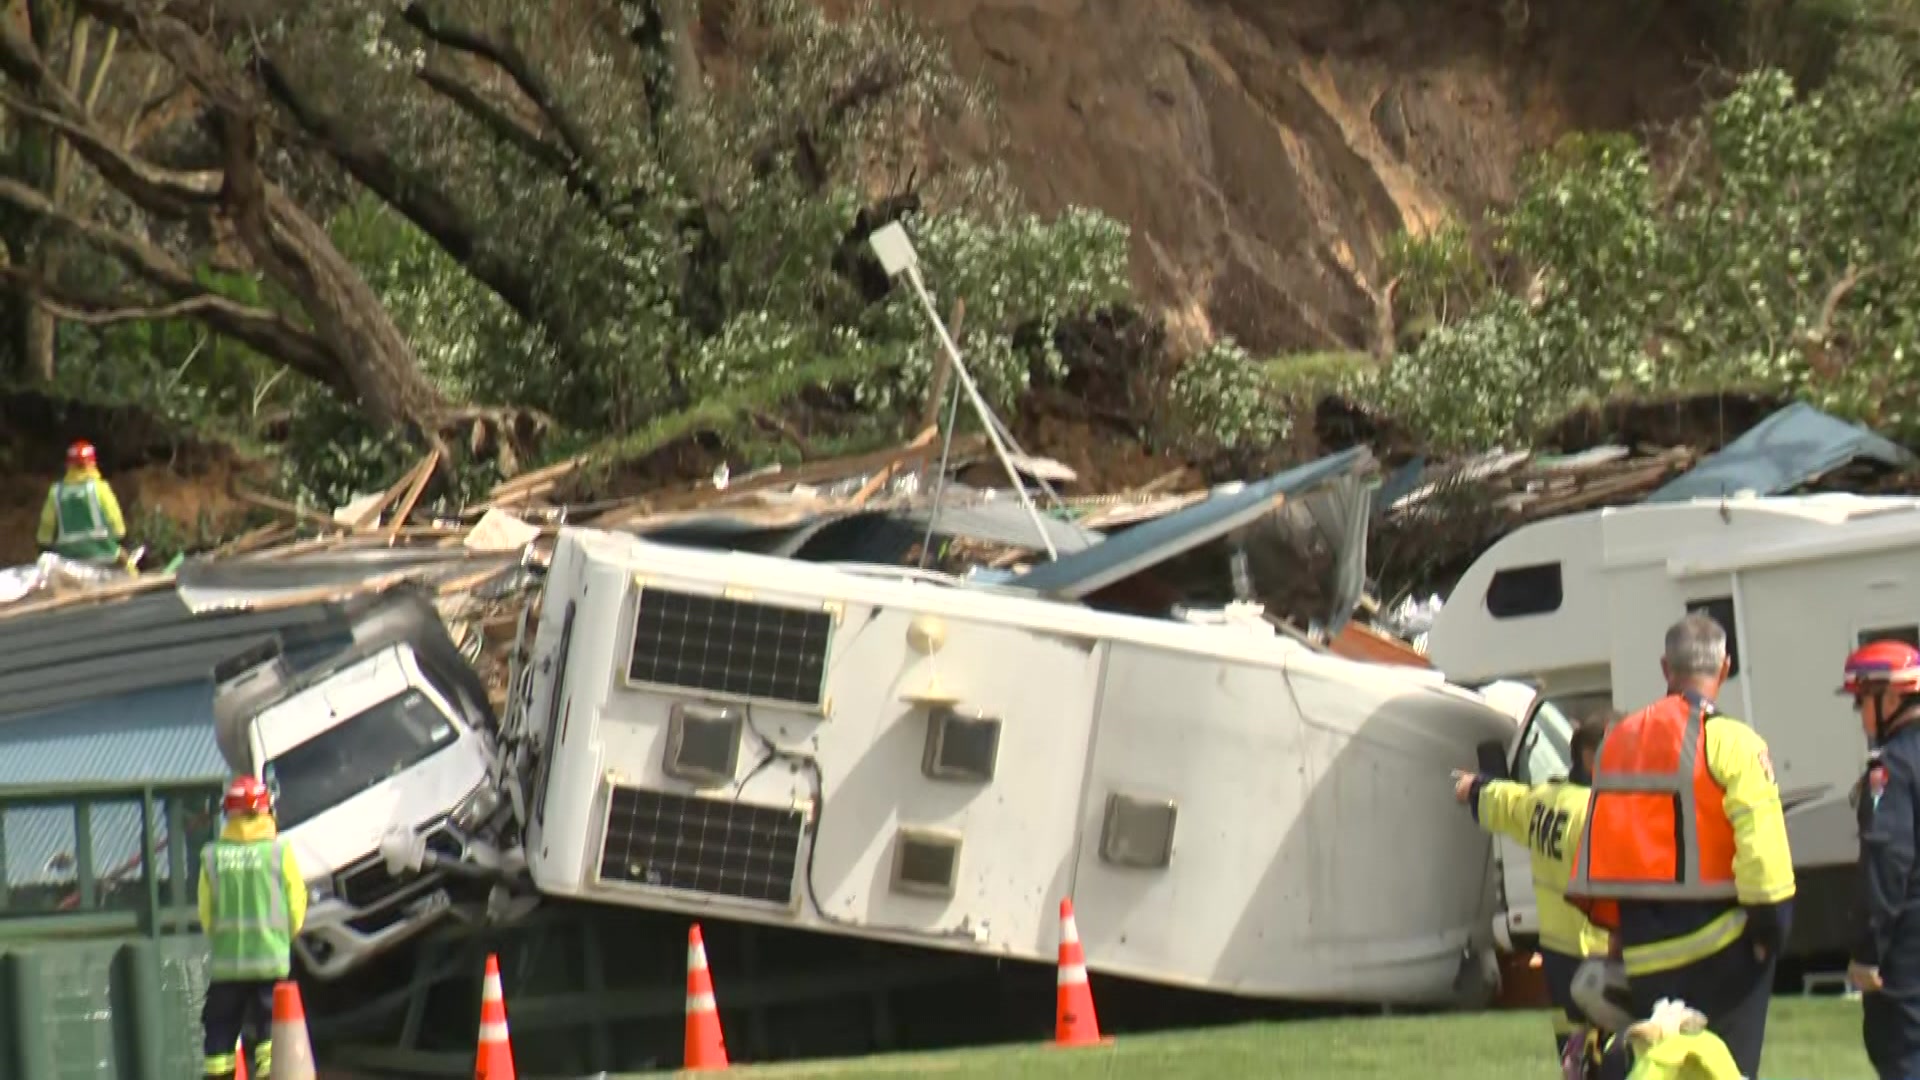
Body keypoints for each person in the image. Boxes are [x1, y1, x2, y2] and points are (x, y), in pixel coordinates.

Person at [1565, 612, 1797, 1079]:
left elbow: (1608, 848)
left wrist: (1618, 941)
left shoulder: (1618, 741)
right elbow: (1762, 856)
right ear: (1725, 667)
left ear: (1665, 667)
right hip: (1725, 952)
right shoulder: (1734, 742)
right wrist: (1770, 934)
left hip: (1647, 955)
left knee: (1661, 1070)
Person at [1453, 709, 1617, 1072]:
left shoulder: (1545, 800)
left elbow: (1505, 800)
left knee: (1573, 1056)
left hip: (1558, 957)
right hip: (1601, 953)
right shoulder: (1600, 814)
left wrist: (1475, 786)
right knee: (1613, 1058)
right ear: (1592, 759)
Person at [1841, 639, 1920, 1080]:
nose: (1861, 717)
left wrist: (1868, 953)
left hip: (1908, 956)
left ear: (1890, 697)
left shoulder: (1891, 769)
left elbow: (1887, 864)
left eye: (1861, 703)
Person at [199, 774, 306, 1080]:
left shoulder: (212, 856)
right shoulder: (279, 852)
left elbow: (207, 913)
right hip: (270, 960)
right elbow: (295, 901)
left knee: (219, 1030)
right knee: (270, 1031)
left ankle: (219, 1075)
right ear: (264, 809)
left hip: (227, 965)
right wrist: (285, 936)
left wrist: (223, 941)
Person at [35, 439, 128, 566]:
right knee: (130, 570)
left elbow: (46, 526)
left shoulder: (56, 492)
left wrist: (43, 546)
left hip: (68, 560)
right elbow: (115, 519)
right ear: (93, 463)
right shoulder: (100, 488)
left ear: (68, 465)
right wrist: (121, 538)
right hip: (104, 554)